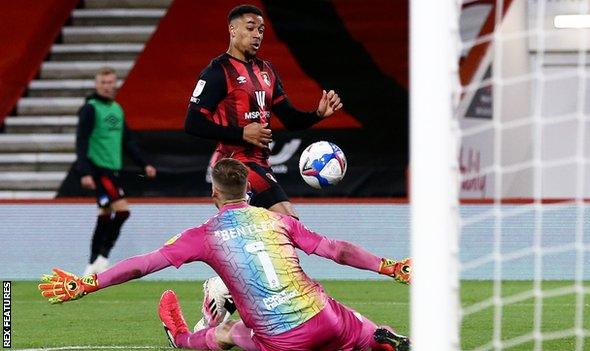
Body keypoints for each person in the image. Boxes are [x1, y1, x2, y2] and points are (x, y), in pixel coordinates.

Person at [39, 158, 411, 351]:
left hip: (282, 340)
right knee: (363, 330)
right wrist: (389, 266)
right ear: (249, 189)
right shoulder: (276, 221)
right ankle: (383, 339)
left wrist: (88, 282)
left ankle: (182, 339)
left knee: (230, 332)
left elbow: (142, 265)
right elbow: (338, 250)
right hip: (324, 317)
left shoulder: (203, 235)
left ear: (214, 195)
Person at [184, 4, 343, 219]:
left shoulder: (267, 70)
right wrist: (241, 133)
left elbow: (290, 119)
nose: (257, 35)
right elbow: (193, 123)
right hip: (234, 163)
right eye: (250, 28)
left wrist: (317, 114)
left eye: (261, 30)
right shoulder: (217, 72)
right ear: (232, 30)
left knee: (261, 233)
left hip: (260, 162)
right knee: (288, 221)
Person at [75, 66, 157, 275]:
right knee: (122, 211)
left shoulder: (117, 109)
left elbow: (128, 141)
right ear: (97, 84)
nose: (107, 87)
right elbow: (81, 141)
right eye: (103, 83)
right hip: (98, 169)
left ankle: (92, 264)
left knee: (105, 213)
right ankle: (102, 257)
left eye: (111, 82)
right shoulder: (90, 109)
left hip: (113, 170)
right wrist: (84, 172)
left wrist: (143, 163)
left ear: (115, 84)